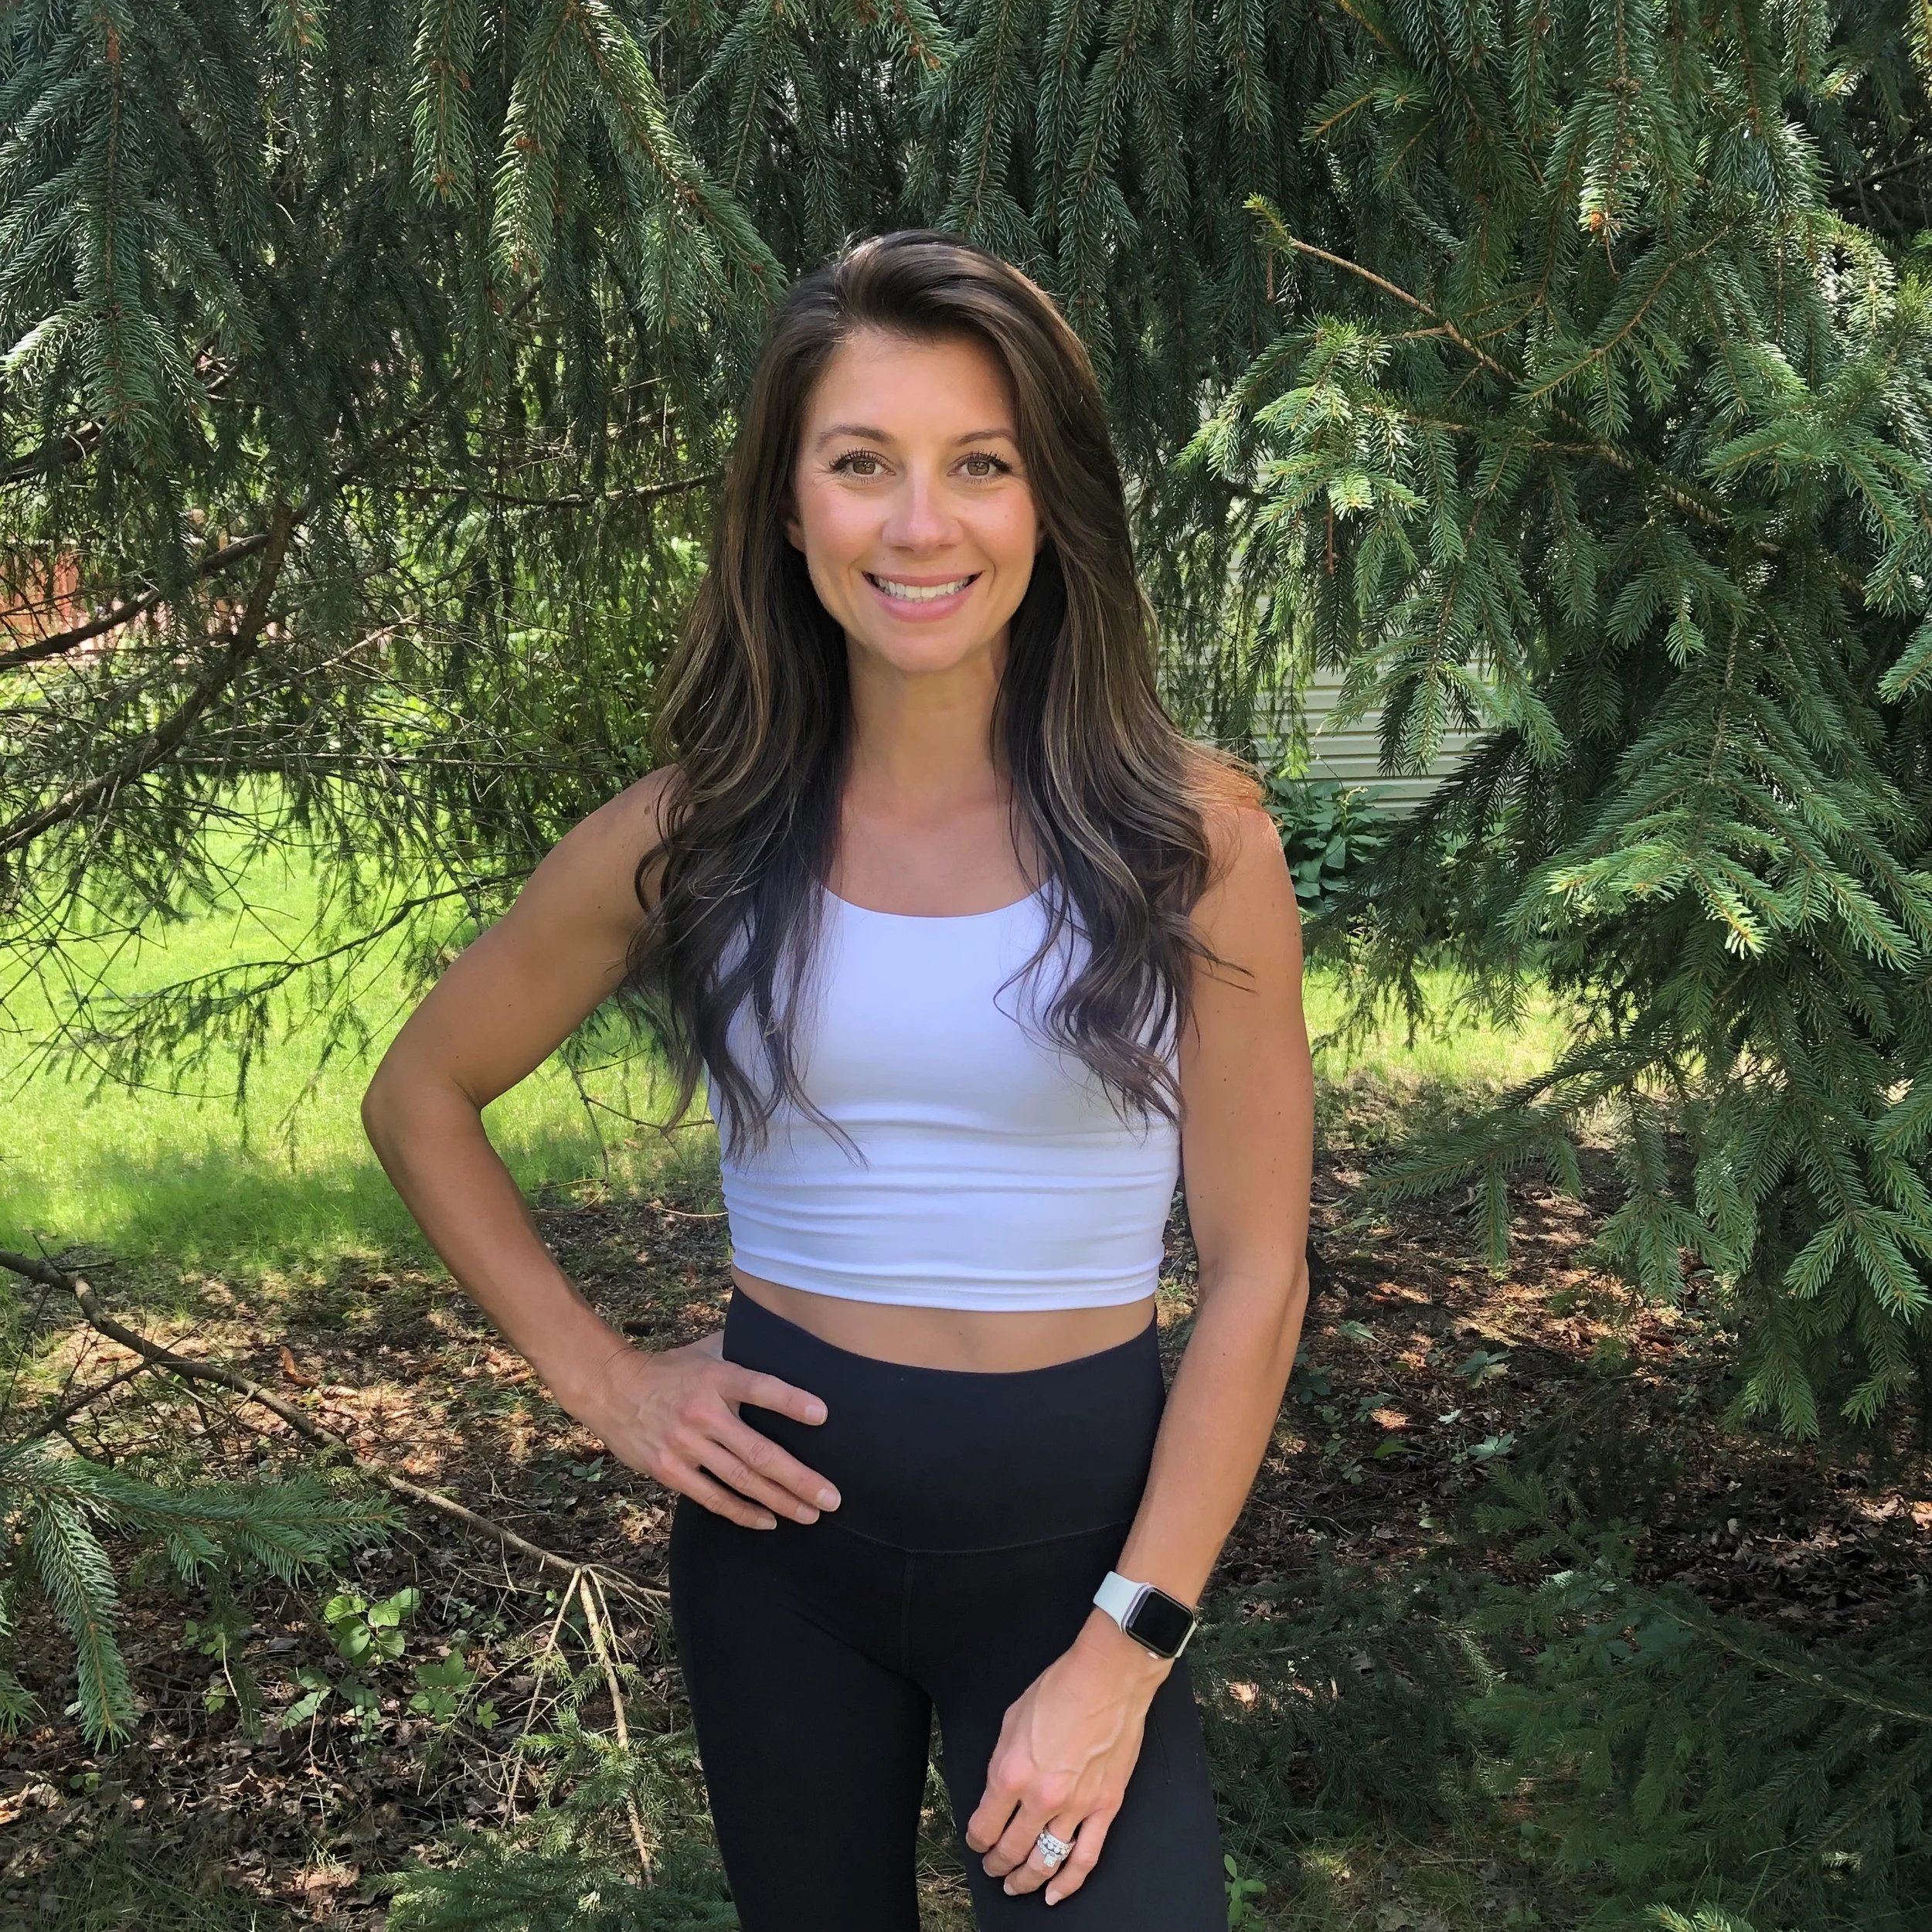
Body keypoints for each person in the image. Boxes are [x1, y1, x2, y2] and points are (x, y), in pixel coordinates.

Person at [361, 228, 1314, 1930]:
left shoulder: (1191, 842)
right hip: (777, 1562)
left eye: (977, 465)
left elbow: (1253, 1275)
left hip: (1081, 1551)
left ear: (1049, 507)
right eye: (860, 463)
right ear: (787, 508)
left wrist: (1122, 1651)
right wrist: (604, 1381)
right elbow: (419, 1091)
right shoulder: (694, 833)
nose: (918, 523)